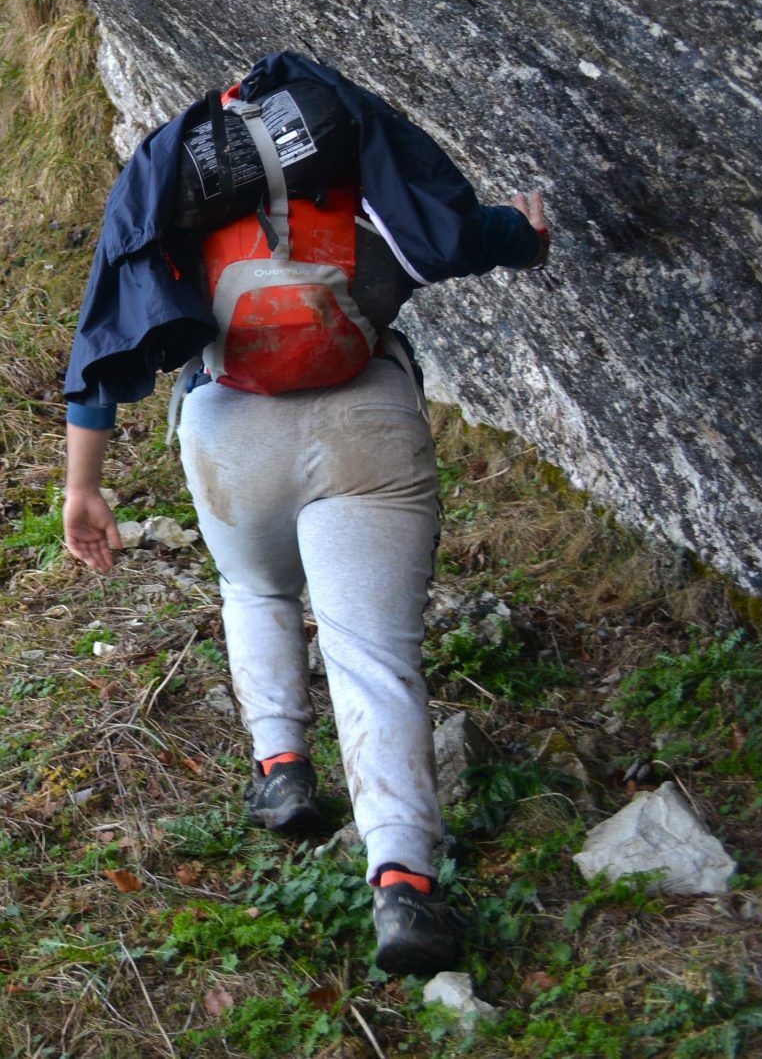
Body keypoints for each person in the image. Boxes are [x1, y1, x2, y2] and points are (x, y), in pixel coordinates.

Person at [57, 51, 550, 977]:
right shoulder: (356, 167)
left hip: (229, 429)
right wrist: (526, 235)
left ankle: (282, 770)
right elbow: (455, 234)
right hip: (367, 419)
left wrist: (85, 488)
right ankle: (404, 884)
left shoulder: (171, 186)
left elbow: (102, 339)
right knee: (373, 658)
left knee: (255, 588)